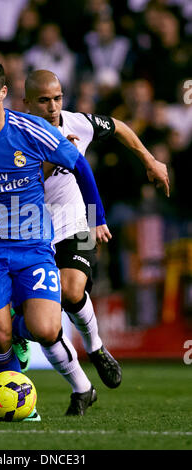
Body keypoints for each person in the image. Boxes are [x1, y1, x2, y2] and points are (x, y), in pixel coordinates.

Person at [0, 56, 107, 419]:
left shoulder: (29, 129)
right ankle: (18, 406)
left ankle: (80, 384)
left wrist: (97, 218)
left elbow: (78, 163)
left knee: (45, 329)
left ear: (2, 93)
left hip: (33, 248)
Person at [20, 69, 170, 390]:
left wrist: (149, 160)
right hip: (32, 230)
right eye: (44, 100)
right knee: (38, 318)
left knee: (72, 291)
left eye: (57, 98)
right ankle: (27, 336)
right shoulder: (15, 137)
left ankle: (97, 347)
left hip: (80, 218)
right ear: (27, 103)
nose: (52, 106)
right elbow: (17, 186)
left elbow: (119, 127)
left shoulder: (77, 123)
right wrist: (53, 159)